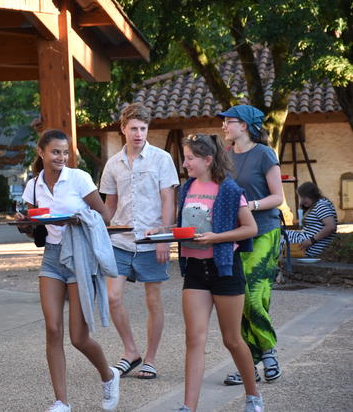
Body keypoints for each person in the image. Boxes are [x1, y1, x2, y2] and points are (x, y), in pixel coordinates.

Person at [15, 129, 120, 412]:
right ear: (41, 152)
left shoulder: (78, 178)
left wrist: (77, 218)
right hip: (52, 257)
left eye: (64, 152)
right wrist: (24, 222)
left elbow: (103, 217)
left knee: (78, 337)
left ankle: (109, 375)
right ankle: (61, 401)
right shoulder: (34, 185)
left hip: (80, 256)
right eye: (55, 152)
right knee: (52, 328)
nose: (61, 157)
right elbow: (33, 226)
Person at [167, 134, 262, 412]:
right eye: (185, 158)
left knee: (232, 339)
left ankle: (253, 396)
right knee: (194, 338)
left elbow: (250, 229)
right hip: (195, 270)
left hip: (225, 268)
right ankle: (189, 407)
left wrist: (216, 238)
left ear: (208, 160)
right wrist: (159, 233)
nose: (185, 164)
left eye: (190, 159)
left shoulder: (230, 190)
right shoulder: (186, 189)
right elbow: (183, 226)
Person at [98, 103, 179, 380]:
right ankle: (131, 351)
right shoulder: (113, 163)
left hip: (151, 240)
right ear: (123, 129)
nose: (138, 134)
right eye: (133, 128)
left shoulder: (162, 159)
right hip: (119, 240)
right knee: (112, 297)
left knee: (153, 300)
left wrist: (163, 238)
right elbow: (110, 205)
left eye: (143, 129)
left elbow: (169, 200)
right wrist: (96, 229)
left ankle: (151, 359)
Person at [219, 104, 284, 385]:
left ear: (243, 125)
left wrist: (249, 205)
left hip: (265, 231)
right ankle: (250, 365)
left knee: (254, 295)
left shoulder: (264, 154)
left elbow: (278, 197)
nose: (223, 126)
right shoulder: (226, 156)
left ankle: (268, 351)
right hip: (237, 234)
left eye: (228, 121)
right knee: (239, 298)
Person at [285, 182, 338, 258]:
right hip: (307, 240)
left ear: (312, 195)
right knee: (278, 233)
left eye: (304, 197)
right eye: (301, 197)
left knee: (278, 239)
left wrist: (311, 240)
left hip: (312, 246)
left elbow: (331, 226)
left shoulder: (321, 205)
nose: (302, 201)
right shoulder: (316, 204)